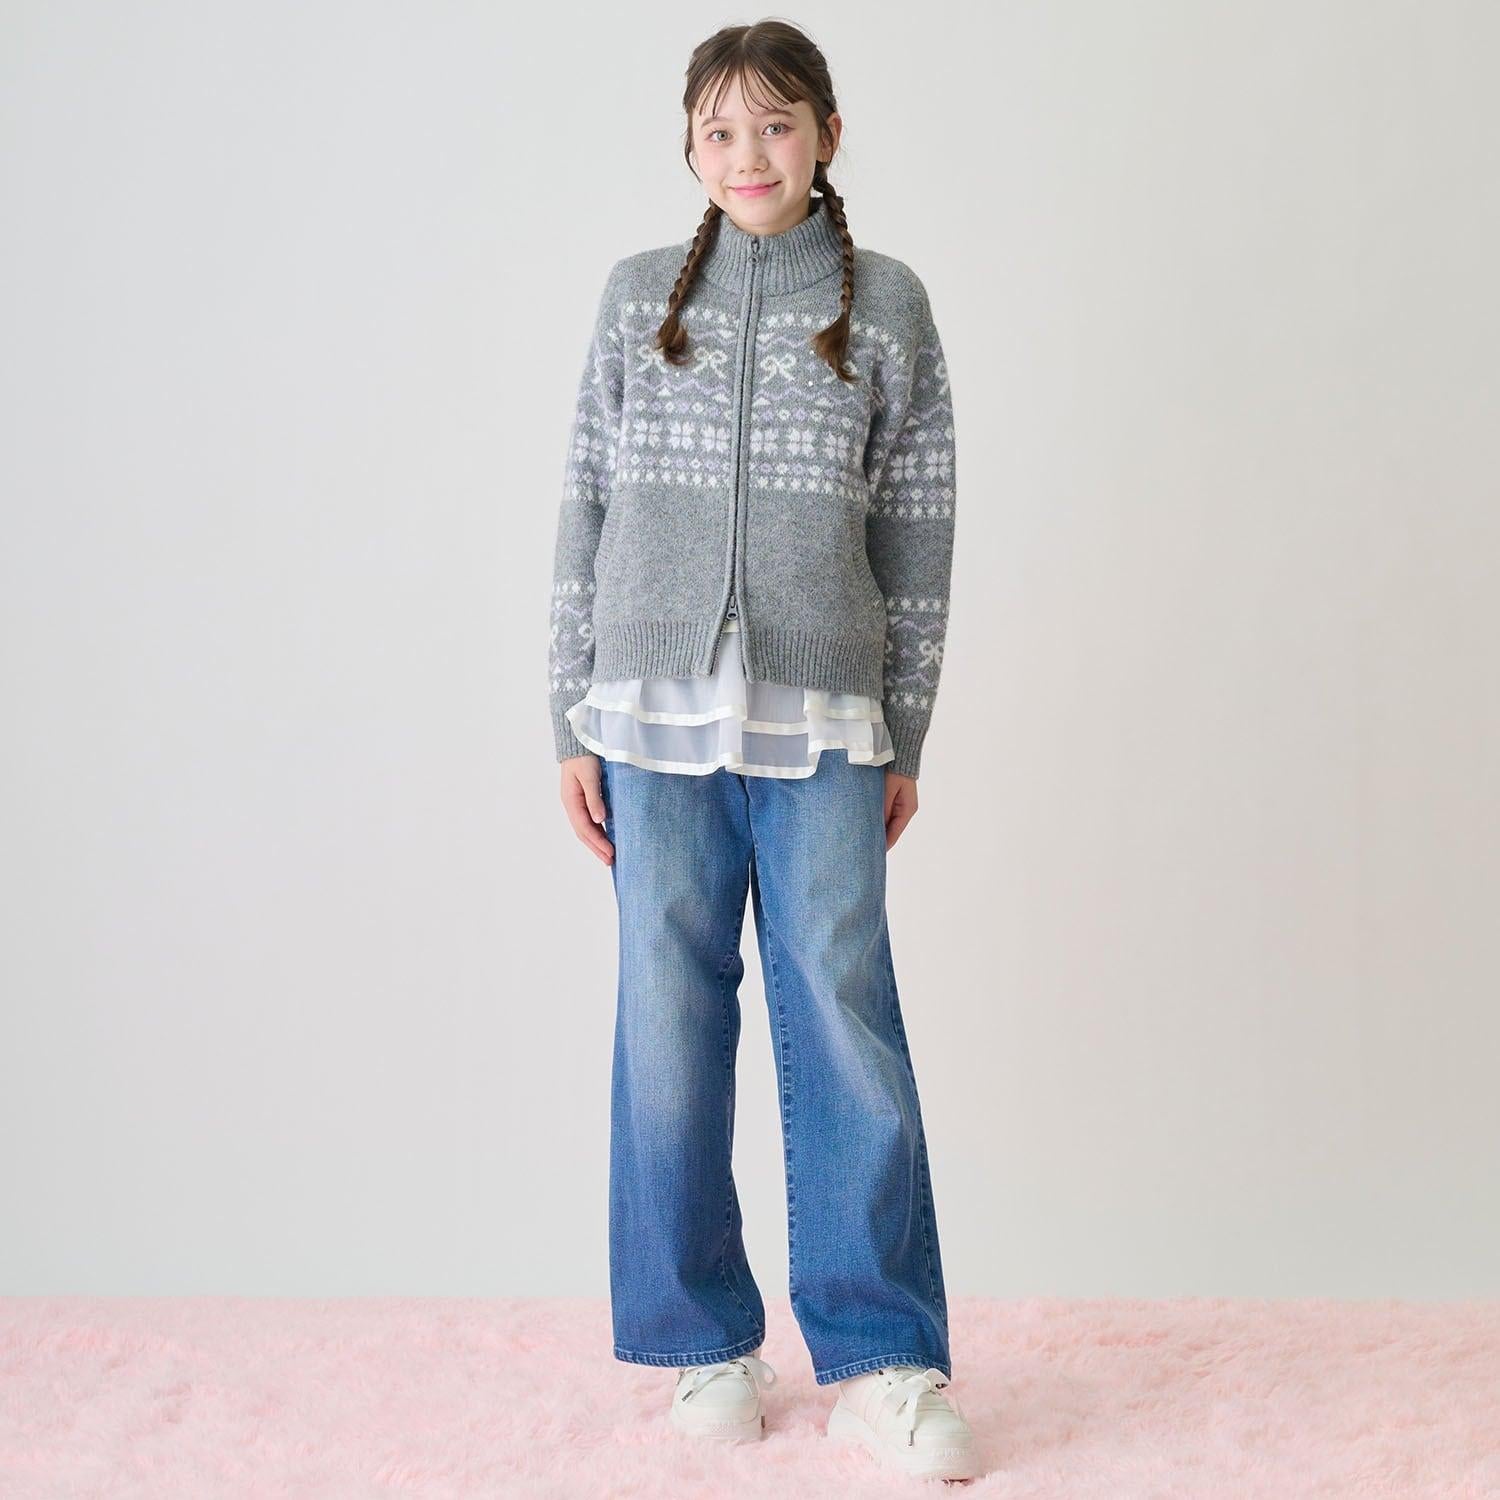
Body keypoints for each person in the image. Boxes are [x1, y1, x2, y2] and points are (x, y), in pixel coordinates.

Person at [545, 21, 980, 1482]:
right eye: (722, 130)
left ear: (828, 137)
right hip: (650, 716)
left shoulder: (889, 304)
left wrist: (905, 724)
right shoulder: (635, 298)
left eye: (778, 125)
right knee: (667, 1017)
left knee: (843, 1008)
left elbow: (918, 531)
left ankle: (884, 1355)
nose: (750, 155)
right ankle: (701, 1343)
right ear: (690, 146)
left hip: (825, 718)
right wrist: (569, 713)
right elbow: (585, 502)